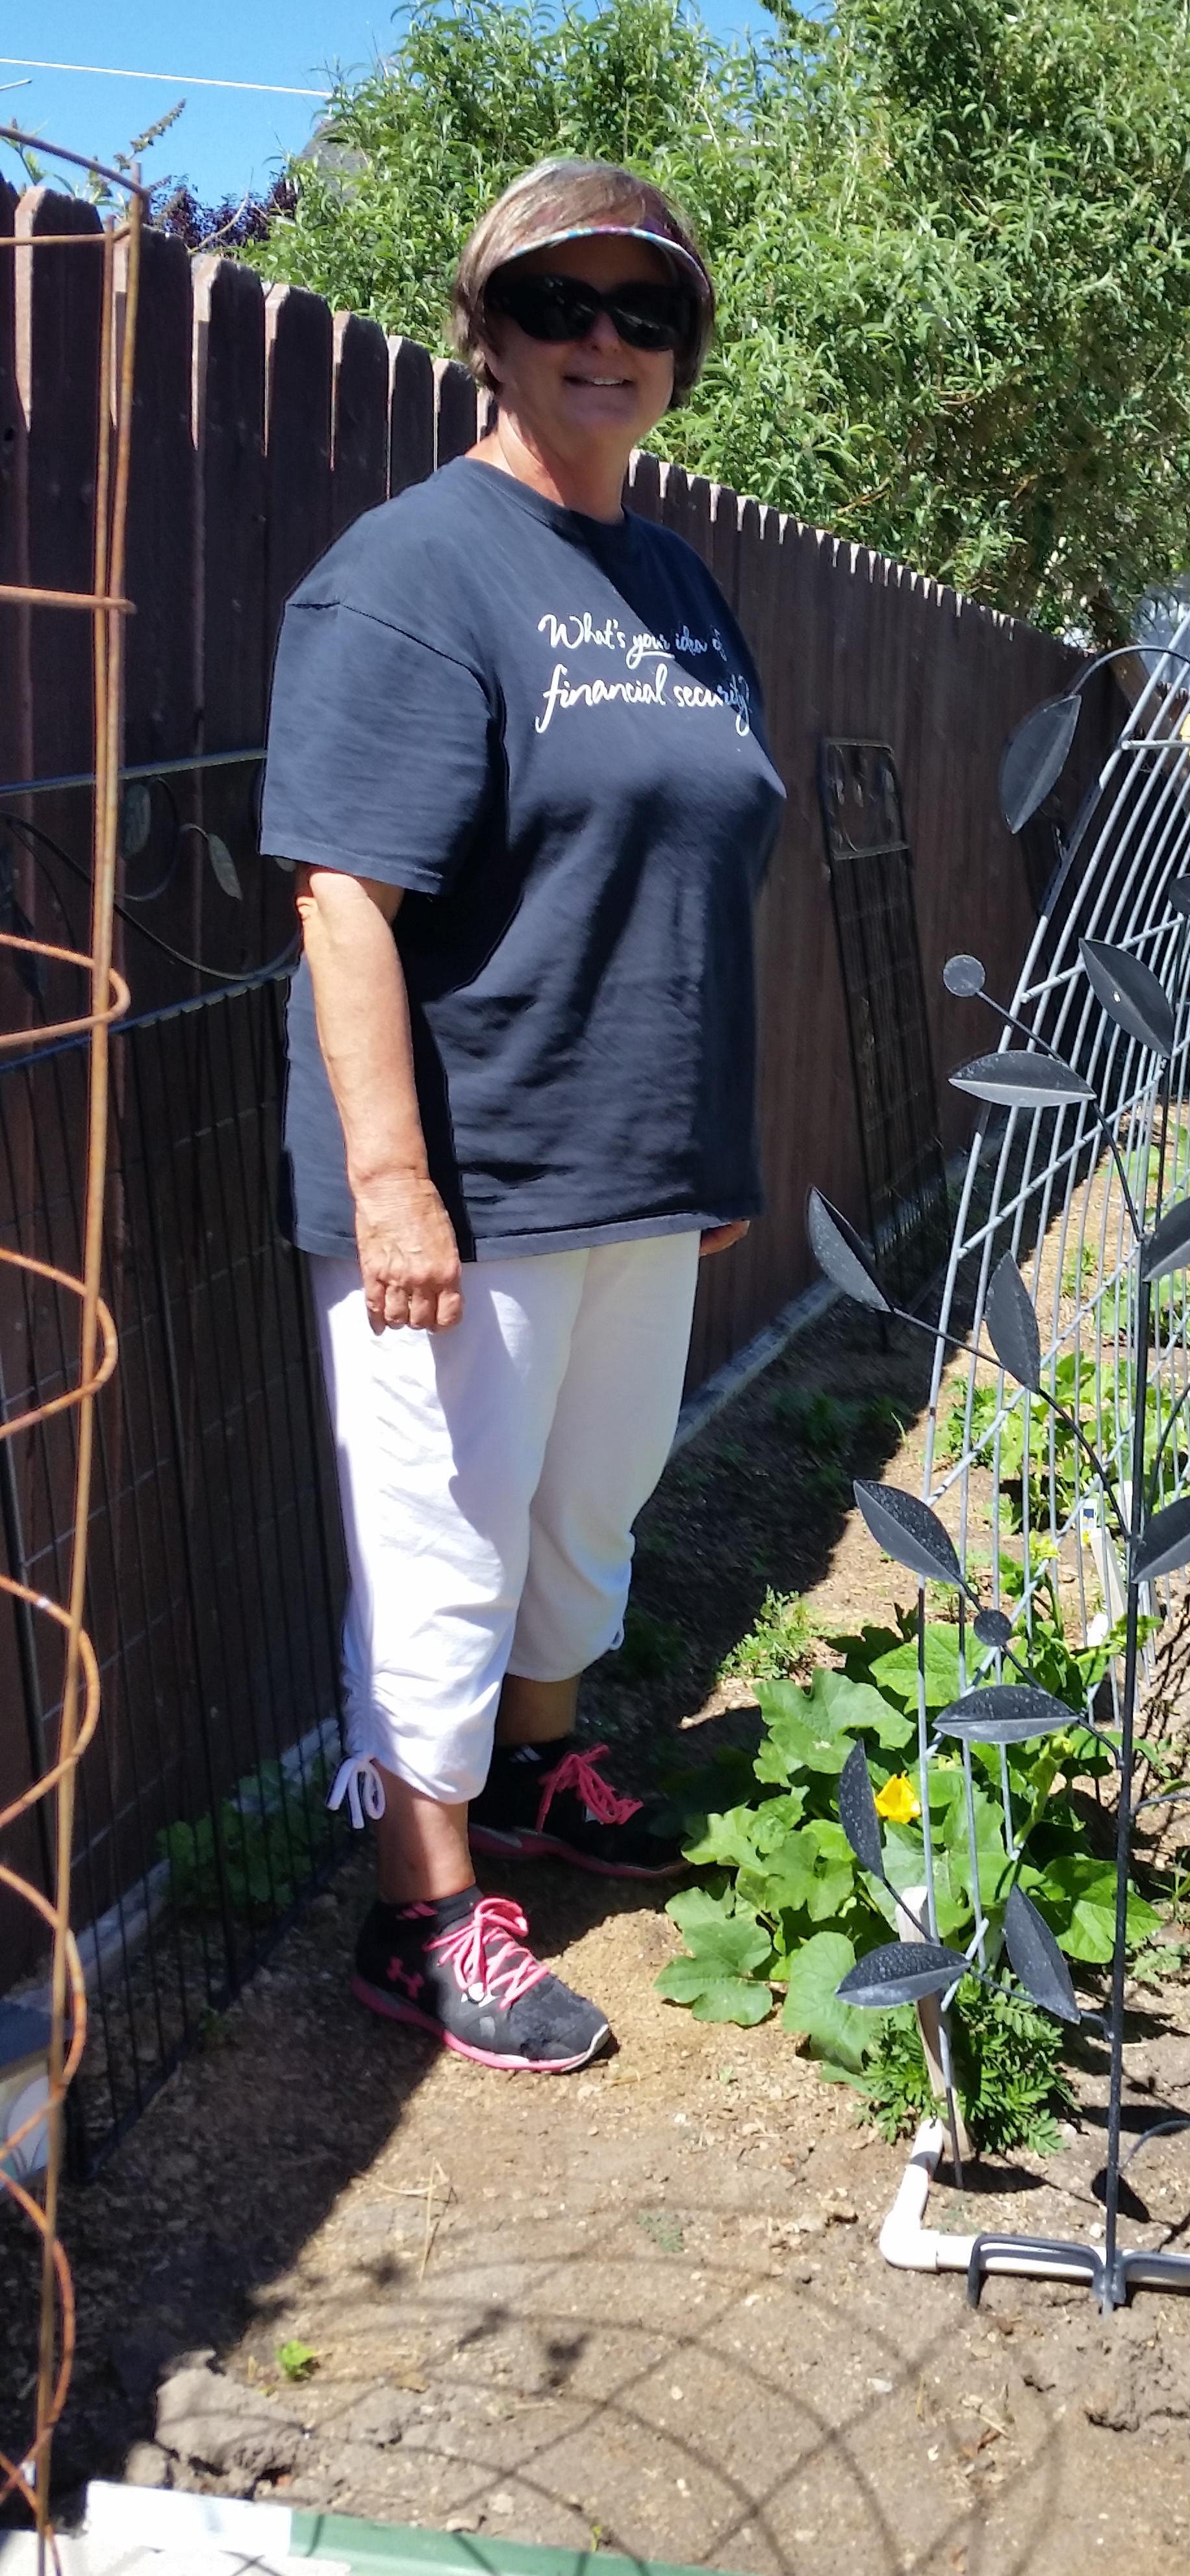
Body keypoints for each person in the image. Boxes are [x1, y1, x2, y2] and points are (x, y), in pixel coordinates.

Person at [260, 159, 785, 2074]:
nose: (604, 340)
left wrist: (704, 1148)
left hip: (640, 1168)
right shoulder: (413, 572)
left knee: (587, 1514)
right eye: (561, 301)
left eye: (645, 313)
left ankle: (541, 1777)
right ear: (483, 326)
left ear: (682, 356)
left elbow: (687, 865)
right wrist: (393, 1184)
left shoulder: (670, 576)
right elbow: (343, 899)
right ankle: (419, 1915)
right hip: (466, 1184)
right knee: (444, 1546)